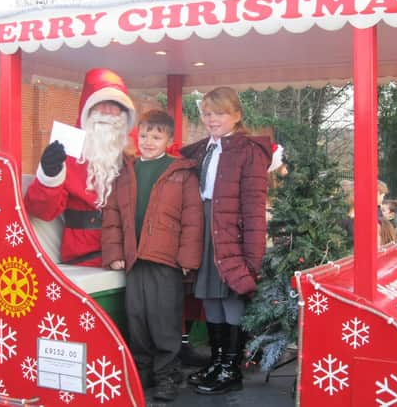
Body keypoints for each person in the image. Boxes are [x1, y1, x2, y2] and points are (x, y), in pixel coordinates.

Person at [101, 110, 204, 401]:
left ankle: (168, 375)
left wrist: (188, 259)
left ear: (169, 140)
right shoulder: (126, 170)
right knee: (137, 317)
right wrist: (114, 252)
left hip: (166, 258)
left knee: (163, 319)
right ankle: (142, 371)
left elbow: (192, 218)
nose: (148, 141)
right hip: (134, 258)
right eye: (144, 135)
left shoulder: (180, 172)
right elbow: (112, 214)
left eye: (156, 137)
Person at [180, 86, 271, 395]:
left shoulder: (249, 151)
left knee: (231, 296)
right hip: (205, 232)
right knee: (210, 297)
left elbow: (255, 208)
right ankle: (217, 362)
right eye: (207, 113)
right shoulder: (203, 149)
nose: (211, 119)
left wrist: (252, 257)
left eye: (219, 113)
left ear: (237, 116)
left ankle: (231, 369)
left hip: (231, 235)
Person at [24, 68, 135, 267]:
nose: (109, 112)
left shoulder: (134, 155)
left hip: (130, 257)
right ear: (88, 108)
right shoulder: (69, 153)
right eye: (102, 104)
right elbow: (41, 211)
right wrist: (50, 174)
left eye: (115, 106)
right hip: (85, 258)